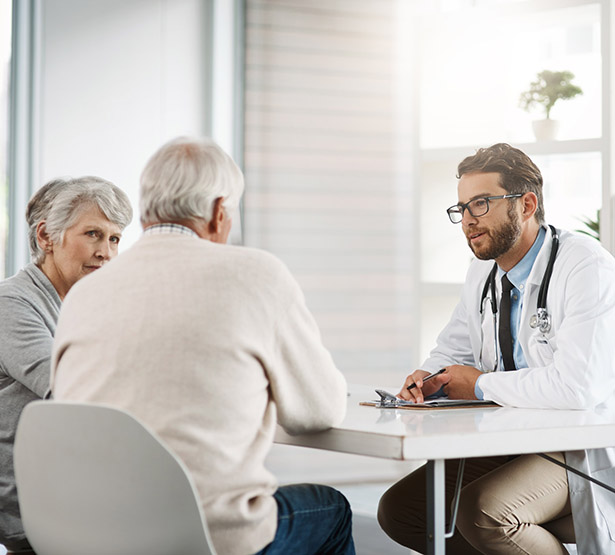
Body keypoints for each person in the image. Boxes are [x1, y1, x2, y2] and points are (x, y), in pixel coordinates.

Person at [50, 137, 355, 555]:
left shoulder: (84, 294)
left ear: (145, 209)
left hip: (92, 534)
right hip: (205, 537)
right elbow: (318, 410)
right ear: (218, 212)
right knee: (331, 509)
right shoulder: (257, 274)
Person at [377, 143, 615, 555]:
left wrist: (482, 386)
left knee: (484, 512)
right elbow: (454, 351)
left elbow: (578, 389)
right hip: (510, 439)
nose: (467, 220)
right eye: (462, 208)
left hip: (580, 443)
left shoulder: (584, 267)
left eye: (481, 204)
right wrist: (429, 378)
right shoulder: (482, 272)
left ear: (526, 204)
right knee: (403, 509)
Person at [0, 176, 133, 554]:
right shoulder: (10, 304)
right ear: (45, 237)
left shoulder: (80, 306)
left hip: (75, 493)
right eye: (93, 234)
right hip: (37, 512)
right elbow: (72, 387)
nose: (106, 252)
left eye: (115, 239)